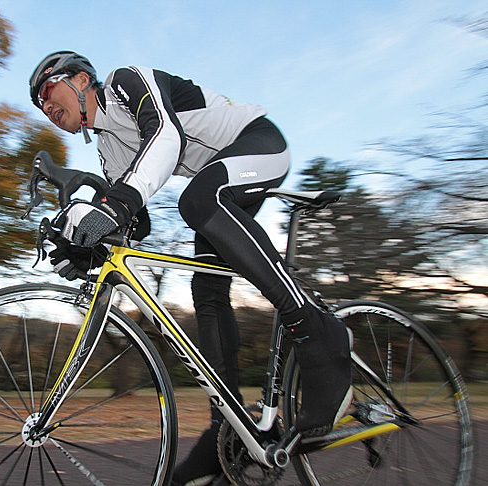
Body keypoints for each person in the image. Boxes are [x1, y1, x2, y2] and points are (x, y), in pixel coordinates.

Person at [29, 51, 352, 486]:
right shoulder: (108, 147)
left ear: (84, 79)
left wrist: (118, 201)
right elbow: (133, 223)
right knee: (208, 289)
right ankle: (230, 429)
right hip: (220, 181)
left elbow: (164, 136)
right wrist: (87, 242)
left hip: (257, 142)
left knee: (198, 200)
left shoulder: (127, 82)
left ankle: (319, 333)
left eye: (49, 91)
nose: (47, 106)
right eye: (40, 105)